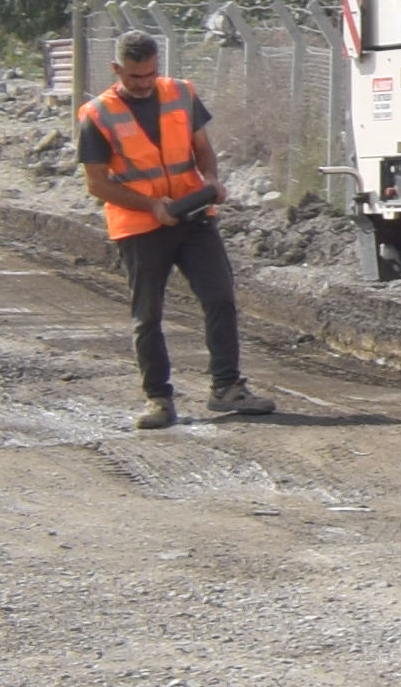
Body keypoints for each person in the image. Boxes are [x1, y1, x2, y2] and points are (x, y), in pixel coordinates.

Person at [77, 32, 266, 432]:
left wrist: (211, 180)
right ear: (116, 70)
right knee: (147, 316)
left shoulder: (180, 93)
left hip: (194, 216)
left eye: (149, 74)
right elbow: (96, 183)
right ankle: (159, 399)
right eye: (134, 76)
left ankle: (227, 387)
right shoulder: (97, 114)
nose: (143, 83)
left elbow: (202, 147)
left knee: (220, 298)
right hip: (140, 226)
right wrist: (151, 206)